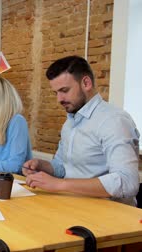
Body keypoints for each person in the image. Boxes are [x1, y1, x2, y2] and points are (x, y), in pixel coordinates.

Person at [23, 55, 140, 206]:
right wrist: (41, 165)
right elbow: (63, 168)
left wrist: (60, 185)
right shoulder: (70, 122)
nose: (59, 99)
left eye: (64, 90)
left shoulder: (114, 121)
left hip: (110, 216)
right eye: (56, 93)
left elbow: (127, 182)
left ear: (86, 83)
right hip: (73, 206)